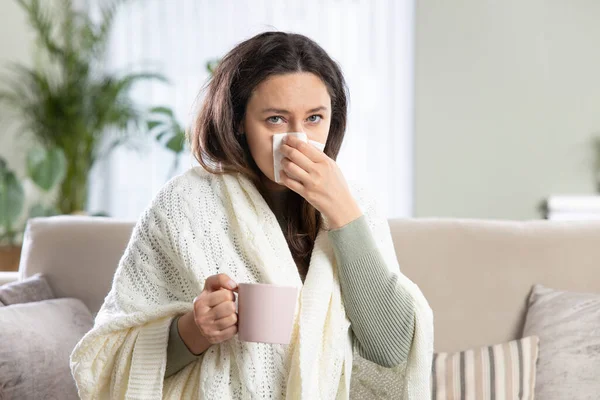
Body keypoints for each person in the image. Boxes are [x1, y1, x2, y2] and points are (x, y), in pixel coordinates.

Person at [70, 31, 433, 399]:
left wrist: (342, 214)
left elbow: (390, 349)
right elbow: (107, 359)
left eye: (314, 118)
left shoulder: (356, 204)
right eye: (275, 119)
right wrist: (194, 330)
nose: (296, 140)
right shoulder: (183, 205)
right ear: (239, 120)